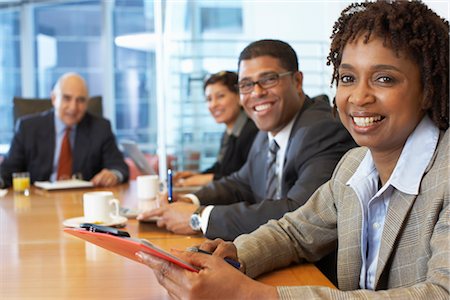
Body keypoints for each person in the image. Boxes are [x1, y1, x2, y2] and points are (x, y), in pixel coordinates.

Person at [136, 1, 449, 298]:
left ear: (427, 89)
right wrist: (233, 254)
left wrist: (255, 296)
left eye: (384, 79)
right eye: (347, 78)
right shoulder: (355, 166)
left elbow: (441, 293)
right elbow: (295, 232)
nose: (358, 97)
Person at [138, 39, 356, 241]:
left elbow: (301, 212)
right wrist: (190, 201)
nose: (257, 92)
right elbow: (240, 183)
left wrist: (200, 218)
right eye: (246, 85)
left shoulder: (321, 129)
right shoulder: (267, 131)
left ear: (297, 81)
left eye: (269, 79)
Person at [0, 73, 129, 188]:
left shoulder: (101, 128)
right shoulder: (27, 127)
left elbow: (119, 167)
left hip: (82, 202)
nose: (73, 107)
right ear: (54, 98)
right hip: (38, 202)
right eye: (67, 98)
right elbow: (8, 171)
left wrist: (114, 175)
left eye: (80, 100)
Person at [174, 71, 258, 187]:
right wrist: (195, 176)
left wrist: (203, 179)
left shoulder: (253, 132)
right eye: (209, 99)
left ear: (239, 97)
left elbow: (242, 179)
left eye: (220, 96)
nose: (213, 105)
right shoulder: (228, 133)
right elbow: (220, 168)